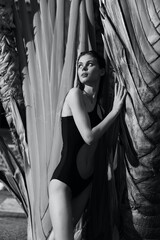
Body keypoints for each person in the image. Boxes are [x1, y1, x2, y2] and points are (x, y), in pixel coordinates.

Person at [48, 50, 126, 240]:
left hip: (85, 183)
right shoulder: (75, 95)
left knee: (58, 236)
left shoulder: (99, 109)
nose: (83, 68)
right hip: (64, 180)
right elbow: (89, 137)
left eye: (89, 64)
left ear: (101, 71)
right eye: (80, 65)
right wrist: (115, 111)